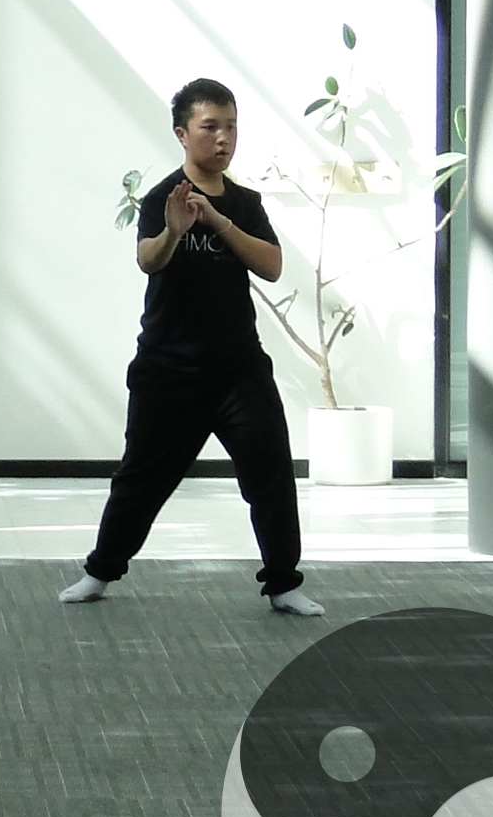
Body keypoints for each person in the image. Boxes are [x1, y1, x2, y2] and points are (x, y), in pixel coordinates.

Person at [58, 79, 325, 616]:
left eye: (230, 127)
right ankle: (100, 571)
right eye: (210, 127)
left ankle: (283, 583)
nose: (223, 138)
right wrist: (177, 230)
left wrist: (219, 220)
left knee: (271, 474)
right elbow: (149, 260)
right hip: (168, 370)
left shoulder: (245, 204)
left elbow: (271, 267)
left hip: (239, 371)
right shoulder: (163, 198)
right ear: (183, 133)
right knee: (140, 479)